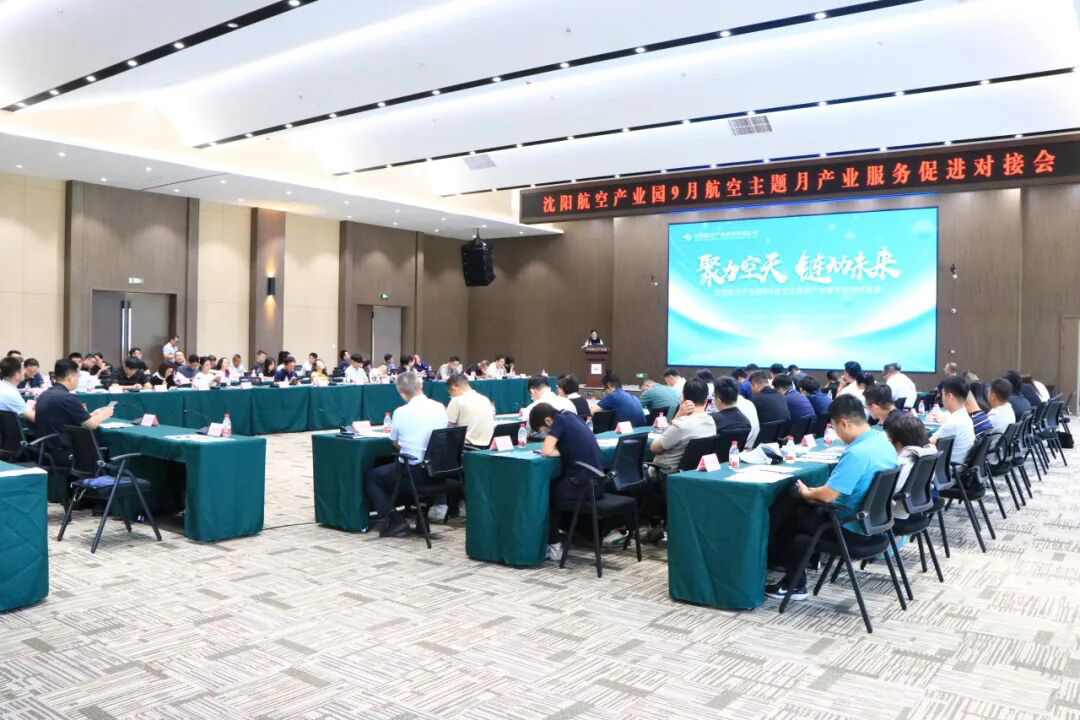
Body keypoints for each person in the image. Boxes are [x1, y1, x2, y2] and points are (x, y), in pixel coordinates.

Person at [766, 394, 897, 600]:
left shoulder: (857, 453)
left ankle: (793, 584)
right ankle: (801, 569)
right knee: (799, 508)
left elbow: (827, 496)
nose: (836, 434)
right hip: (876, 524)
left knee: (790, 514)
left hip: (849, 526)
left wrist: (807, 493)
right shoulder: (883, 442)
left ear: (844, 423)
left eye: (835, 428)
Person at [364, 372, 448, 537]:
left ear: (402, 394)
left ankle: (393, 521)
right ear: (421, 385)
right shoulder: (439, 407)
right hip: (439, 471)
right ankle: (422, 515)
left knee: (372, 477)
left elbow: (395, 443)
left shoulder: (400, 412)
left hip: (414, 473)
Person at [529, 402, 605, 561]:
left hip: (583, 485)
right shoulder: (571, 416)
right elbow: (564, 449)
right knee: (554, 485)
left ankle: (554, 546)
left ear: (548, 421)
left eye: (543, 431)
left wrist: (554, 450)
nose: (545, 434)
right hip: (598, 482)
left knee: (542, 493)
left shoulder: (559, 421)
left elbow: (546, 451)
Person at [35, 359, 114, 451]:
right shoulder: (67, 398)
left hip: (45, 449)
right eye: (78, 376)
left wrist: (94, 414)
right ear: (70, 378)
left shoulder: (44, 394)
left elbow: (63, 418)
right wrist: (104, 414)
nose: (78, 380)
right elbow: (92, 425)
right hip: (65, 450)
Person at [885, 414, 934, 520]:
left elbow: (890, 491)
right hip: (918, 506)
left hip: (897, 513)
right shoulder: (929, 455)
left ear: (897, 441)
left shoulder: (901, 464)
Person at [930, 376, 975, 465]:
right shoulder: (965, 417)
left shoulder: (953, 423)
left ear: (949, 396)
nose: (942, 398)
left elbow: (928, 444)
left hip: (947, 468)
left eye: (943, 394)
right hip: (957, 466)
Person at [446, 373, 495, 450]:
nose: (452, 396)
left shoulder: (456, 400)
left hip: (466, 447)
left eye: (451, 394)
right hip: (487, 446)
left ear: (454, 388)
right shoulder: (485, 399)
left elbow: (449, 428)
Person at [0, 356, 35, 421]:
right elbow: (35, 418)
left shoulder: (3, 386)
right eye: (24, 369)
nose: (25, 371)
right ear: (17, 375)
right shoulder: (11, 393)